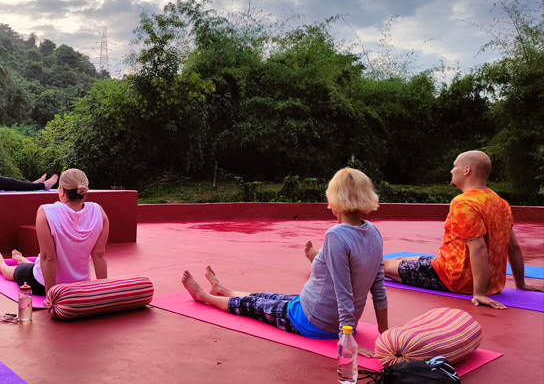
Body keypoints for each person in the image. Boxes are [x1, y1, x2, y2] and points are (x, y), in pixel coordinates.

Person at [181, 167, 389, 341]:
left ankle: (205, 296)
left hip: (315, 322)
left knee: (253, 306)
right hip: (327, 314)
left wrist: (347, 341)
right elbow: (378, 287)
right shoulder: (374, 232)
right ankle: (222, 289)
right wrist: (384, 333)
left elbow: (342, 293)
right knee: (269, 297)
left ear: (335, 200)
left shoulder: (336, 235)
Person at [384, 150, 544, 309]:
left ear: (467, 170)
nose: (451, 170)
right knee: (404, 258)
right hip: (492, 283)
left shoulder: (464, 203)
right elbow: (513, 246)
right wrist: (521, 283)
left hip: (454, 278)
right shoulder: (501, 203)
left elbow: (479, 248)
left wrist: (479, 293)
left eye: (454, 166)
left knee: (382, 266)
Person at [0, 168, 109, 295]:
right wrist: (104, 292)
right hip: (80, 285)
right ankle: (21, 259)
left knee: (15, 271)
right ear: (84, 190)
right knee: (36, 264)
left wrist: (52, 297)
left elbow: (48, 258)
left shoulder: (46, 212)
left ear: (61, 190)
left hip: (44, 284)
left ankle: (0, 264)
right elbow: (99, 255)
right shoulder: (99, 211)